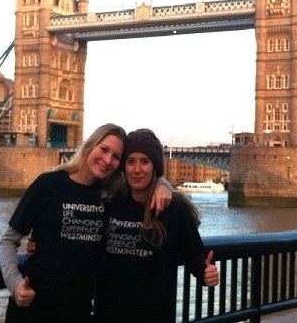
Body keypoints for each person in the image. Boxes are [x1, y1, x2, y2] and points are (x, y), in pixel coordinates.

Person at [0, 123, 172, 323]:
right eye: (104, 149)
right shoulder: (49, 184)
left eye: (116, 157)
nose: (107, 160)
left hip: (78, 312)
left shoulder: (111, 194)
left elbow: (143, 181)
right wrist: (15, 284)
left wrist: (162, 184)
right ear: (90, 145)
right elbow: (8, 240)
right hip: (33, 307)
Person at [94, 128, 219, 323]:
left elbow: (196, 258)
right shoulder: (111, 203)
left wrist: (207, 273)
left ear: (155, 167)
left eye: (145, 161)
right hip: (108, 315)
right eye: (131, 161)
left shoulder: (174, 210)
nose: (137, 169)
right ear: (123, 166)